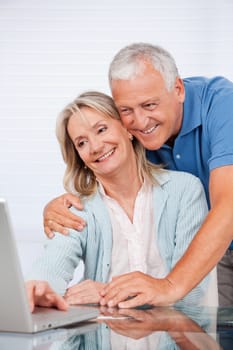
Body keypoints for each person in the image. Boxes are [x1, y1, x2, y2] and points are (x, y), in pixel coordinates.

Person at [42, 42, 233, 307]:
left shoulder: (223, 106)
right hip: (215, 249)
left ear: (178, 89)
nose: (140, 122)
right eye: (126, 111)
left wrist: (169, 285)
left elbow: (229, 206)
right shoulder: (138, 134)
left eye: (149, 105)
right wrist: (56, 208)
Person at [26, 90, 216, 311]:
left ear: (128, 130)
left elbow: (193, 292)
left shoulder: (185, 190)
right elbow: (51, 268)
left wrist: (106, 292)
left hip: (173, 340)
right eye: (82, 143)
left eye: (101, 129)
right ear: (79, 157)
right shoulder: (78, 209)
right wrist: (37, 288)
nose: (95, 147)